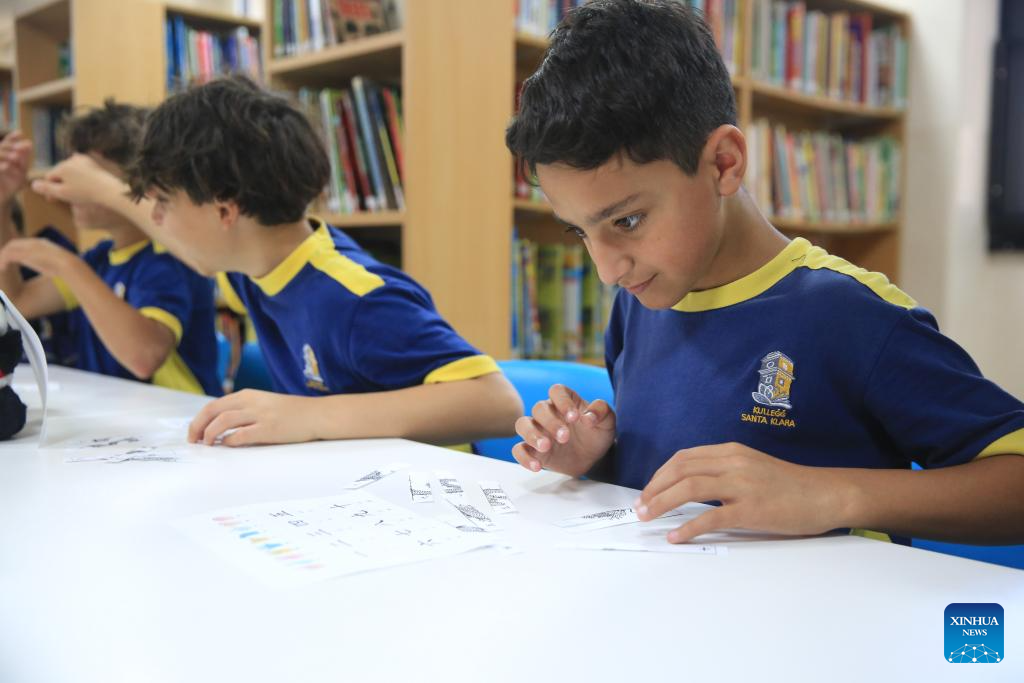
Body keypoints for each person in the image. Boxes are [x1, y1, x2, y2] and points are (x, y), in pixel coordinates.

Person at [504, 0, 1024, 545]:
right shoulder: (638, 304)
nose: (607, 269)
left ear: (724, 163)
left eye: (627, 220)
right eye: (580, 232)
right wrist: (596, 459)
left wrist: (831, 495)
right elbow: (664, 494)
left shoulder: (851, 316)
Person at [45, 75, 522, 447]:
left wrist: (310, 416)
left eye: (163, 204)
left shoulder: (352, 296)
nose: (156, 220)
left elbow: (497, 403)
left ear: (225, 210)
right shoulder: (257, 270)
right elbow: (189, 248)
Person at [0, 103, 220, 396]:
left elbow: (144, 357)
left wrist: (67, 265)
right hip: (118, 415)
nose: (70, 185)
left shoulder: (169, 257)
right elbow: (17, 302)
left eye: (86, 174)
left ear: (136, 177)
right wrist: (3, 202)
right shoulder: (101, 258)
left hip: (177, 417)